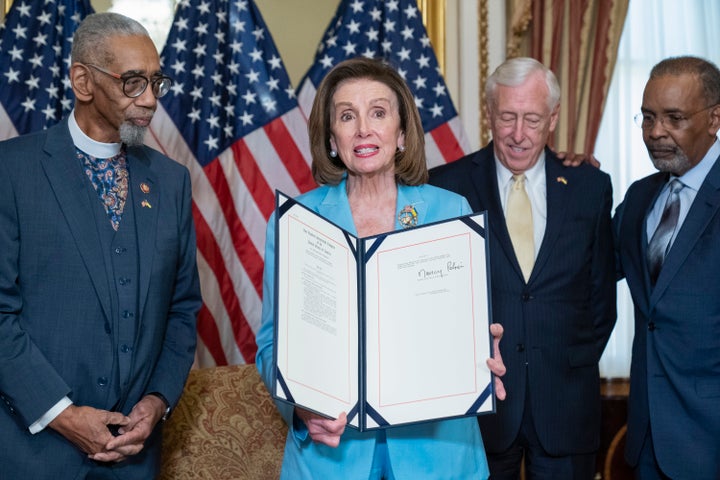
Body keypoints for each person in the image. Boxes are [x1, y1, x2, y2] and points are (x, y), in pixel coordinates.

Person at [255, 56, 507, 479]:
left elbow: (468, 330)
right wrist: (299, 406)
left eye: (378, 112)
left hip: (439, 453)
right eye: (347, 116)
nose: (363, 129)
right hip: (332, 459)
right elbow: (270, 345)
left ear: (402, 132)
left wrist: (483, 353)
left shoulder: (452, 213)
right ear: (331, 138)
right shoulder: (296, 222)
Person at [0, 12, 201, 479]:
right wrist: (65, 417)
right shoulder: (12, 172)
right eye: (133, 82)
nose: (150, 99)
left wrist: (156, 402)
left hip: (134, 457)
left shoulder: (171, 182)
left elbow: (183, 309)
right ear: (83, 82)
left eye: (156, 81)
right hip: (33, 454)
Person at [429, 57, 617, 479]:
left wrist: (569, 361)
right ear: (489, 115)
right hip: (477, 409)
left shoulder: (590, 187)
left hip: (567, 407)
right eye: (507, 117)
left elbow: (601, 298)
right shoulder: (444, 187)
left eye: (532, 120)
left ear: (552, 120)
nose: (518, 134)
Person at [614, 56, 720, 479]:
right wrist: (569, 183)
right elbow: (588, 272)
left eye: (674, 118)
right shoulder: (640, 199)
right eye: (648, 118)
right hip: (647, 442)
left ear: (715, 119)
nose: (656, 132)